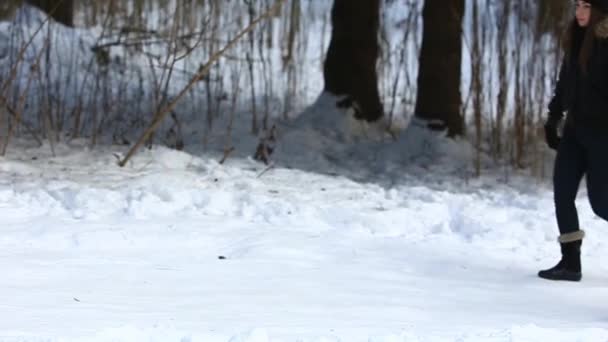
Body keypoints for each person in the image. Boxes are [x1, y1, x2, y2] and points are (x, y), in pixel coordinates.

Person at [539, 0, 608, 281]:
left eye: (586, 6)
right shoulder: (576, 37)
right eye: (577, 5)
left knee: (602, 203)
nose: (579, 12)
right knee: (562, 191)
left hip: (603, 136)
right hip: (575, 131)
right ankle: (570, 262)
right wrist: (553, 117)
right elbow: (565, 81)